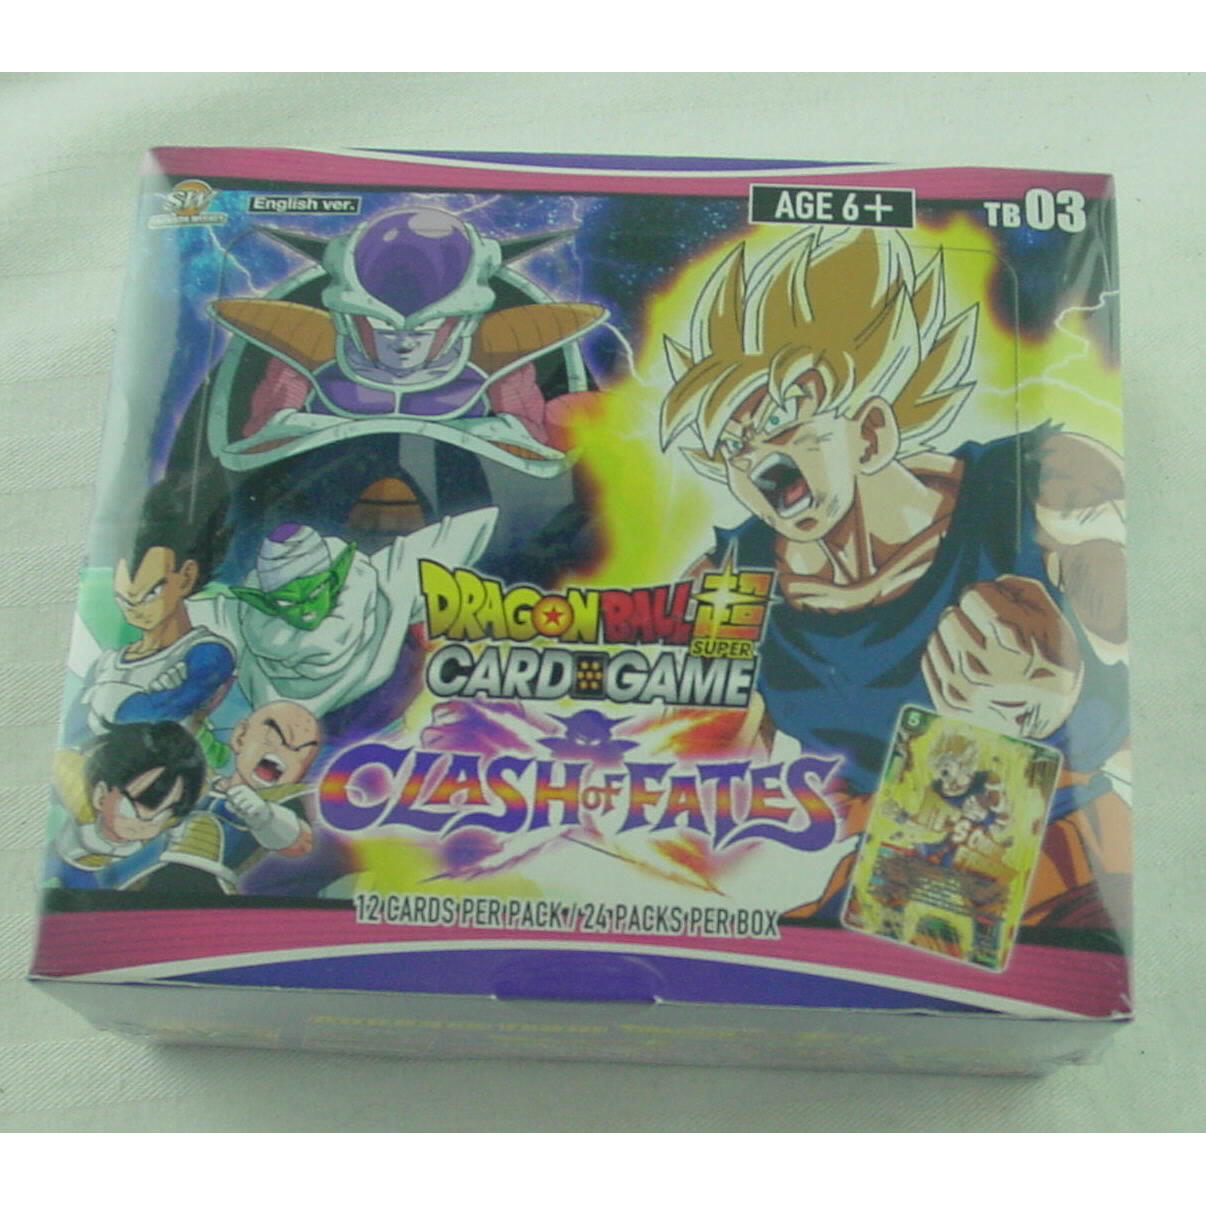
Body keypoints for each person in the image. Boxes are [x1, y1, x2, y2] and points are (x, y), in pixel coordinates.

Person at [659, 226, 1129, 924]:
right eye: (732, 444)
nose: (756, 460)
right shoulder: (732, 583)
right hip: (897, 892)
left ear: (872, 432)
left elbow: (1158, 712)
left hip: (1075, 871)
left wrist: (1063, 700)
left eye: (784, 421)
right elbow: (692, 794)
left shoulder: (1041, 491)